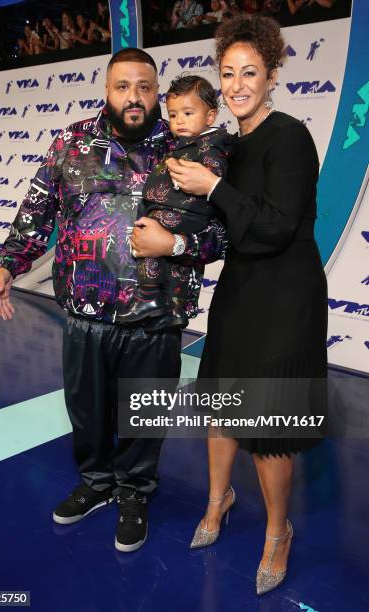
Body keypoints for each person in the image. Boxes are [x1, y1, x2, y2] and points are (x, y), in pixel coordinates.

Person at [0, 48, 225, 553]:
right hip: (84, 313)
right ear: (107, 89)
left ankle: (135, 493)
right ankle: (97, 483)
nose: (134, 98)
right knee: (87, 409)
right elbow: (38, 207)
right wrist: (10, 262)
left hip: (156, 315)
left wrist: (179, 245)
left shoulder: (189, 149)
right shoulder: (71, 142)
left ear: (157, 92)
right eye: (123, 86)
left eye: (144, 87)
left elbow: (220, 235)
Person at [166, 14, 327, 594]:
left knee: (267, 422)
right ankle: (217, 500)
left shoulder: (289, 135)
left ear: (273, 72)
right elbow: (217, 230)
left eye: (250, 72)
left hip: (285, 298)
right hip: (239, 289)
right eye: (228, 72)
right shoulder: (224, 144)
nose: (237, 84)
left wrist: (211, 188)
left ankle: (278, 532)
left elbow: (275, 227)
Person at [118, 75, 231, 328]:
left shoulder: (212, 146)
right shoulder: (183, 145)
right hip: (171, 212)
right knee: (157, 257)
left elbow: (211, 176)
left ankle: (164, 304)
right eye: (173, 115)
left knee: (166, 258)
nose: (179, 121)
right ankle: (159, 304)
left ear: (210, 116)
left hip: (187, 214)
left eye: (188, 113)